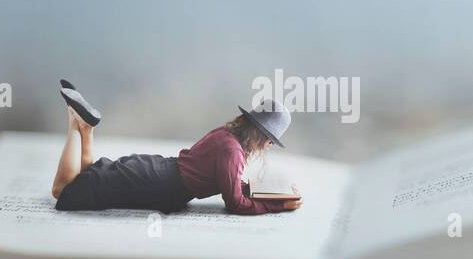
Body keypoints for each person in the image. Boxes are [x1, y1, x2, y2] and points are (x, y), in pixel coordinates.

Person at [51, 80, 302, 215]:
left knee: (89, 178)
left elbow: (233, 184)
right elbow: (235, 202)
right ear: (260, 135)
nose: (267, 147)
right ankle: (75, 121)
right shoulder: (232, 151)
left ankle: (87, 128)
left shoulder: (226, 135)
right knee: (63, 189)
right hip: (158, 184)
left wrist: (274, 194)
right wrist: (276, 205)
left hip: (157, 170)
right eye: (269, 141)